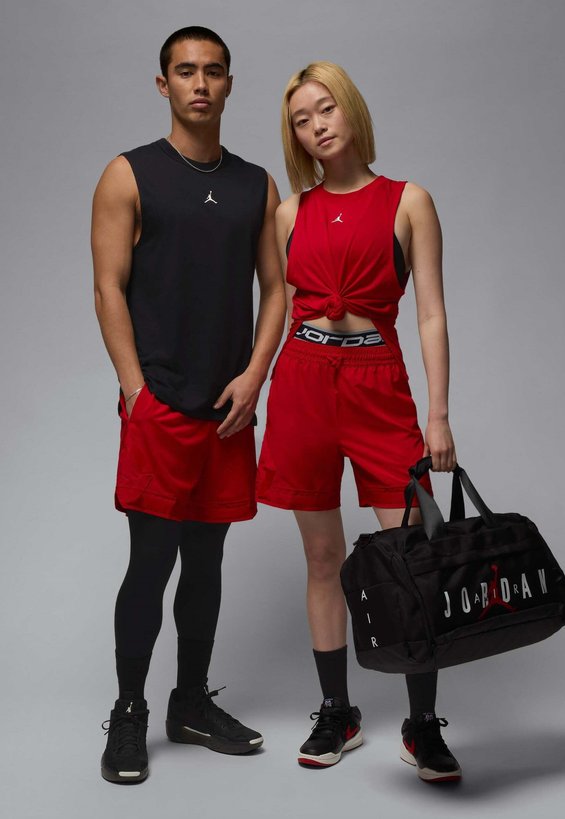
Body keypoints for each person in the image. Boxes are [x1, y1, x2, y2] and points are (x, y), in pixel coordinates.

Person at [257, 62, 461, 782]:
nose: (316, 126)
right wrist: (253, 380)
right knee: (323, 558)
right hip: (304, 383)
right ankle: (336, 711)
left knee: (412, 555)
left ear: (350, 109)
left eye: (325, 108)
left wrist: (438, 413)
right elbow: (280, 309)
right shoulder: (289, 213)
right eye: (300, 120)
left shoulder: (409, 200)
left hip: (380, 384)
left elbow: (430, 312)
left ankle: (422, 722)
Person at [91, 26, 285, 783]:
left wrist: (255, 375)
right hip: (161, 405)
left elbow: (277, 288)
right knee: (151, 562)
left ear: (229, 83)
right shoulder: (128, 174)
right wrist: (135, 391)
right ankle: (129, 712)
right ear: (163, 83)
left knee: (207, 561)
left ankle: (191, 703)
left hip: (227, 408)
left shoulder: (255, 184)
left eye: (213, 71)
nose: (199, 84)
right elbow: (108, 286)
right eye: (185, 71)